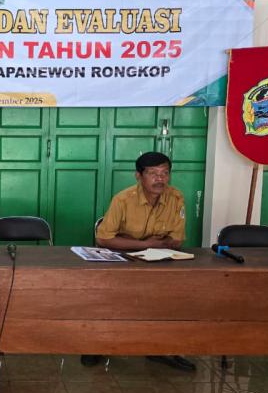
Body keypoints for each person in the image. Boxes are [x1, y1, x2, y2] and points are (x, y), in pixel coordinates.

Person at [81, 151, 196, 372]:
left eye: (165, 173)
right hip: (122, 259)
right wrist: (145, 244)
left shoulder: (176, 198)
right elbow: (103, 238)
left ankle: (160, 349)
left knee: (170, 297)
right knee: (109, 297)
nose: (160, 179)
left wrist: (142, 244)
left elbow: (176, 239)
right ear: (138, 176)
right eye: (153, 173)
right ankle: (97, 344)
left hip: (158, 259)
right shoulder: (123, 199)